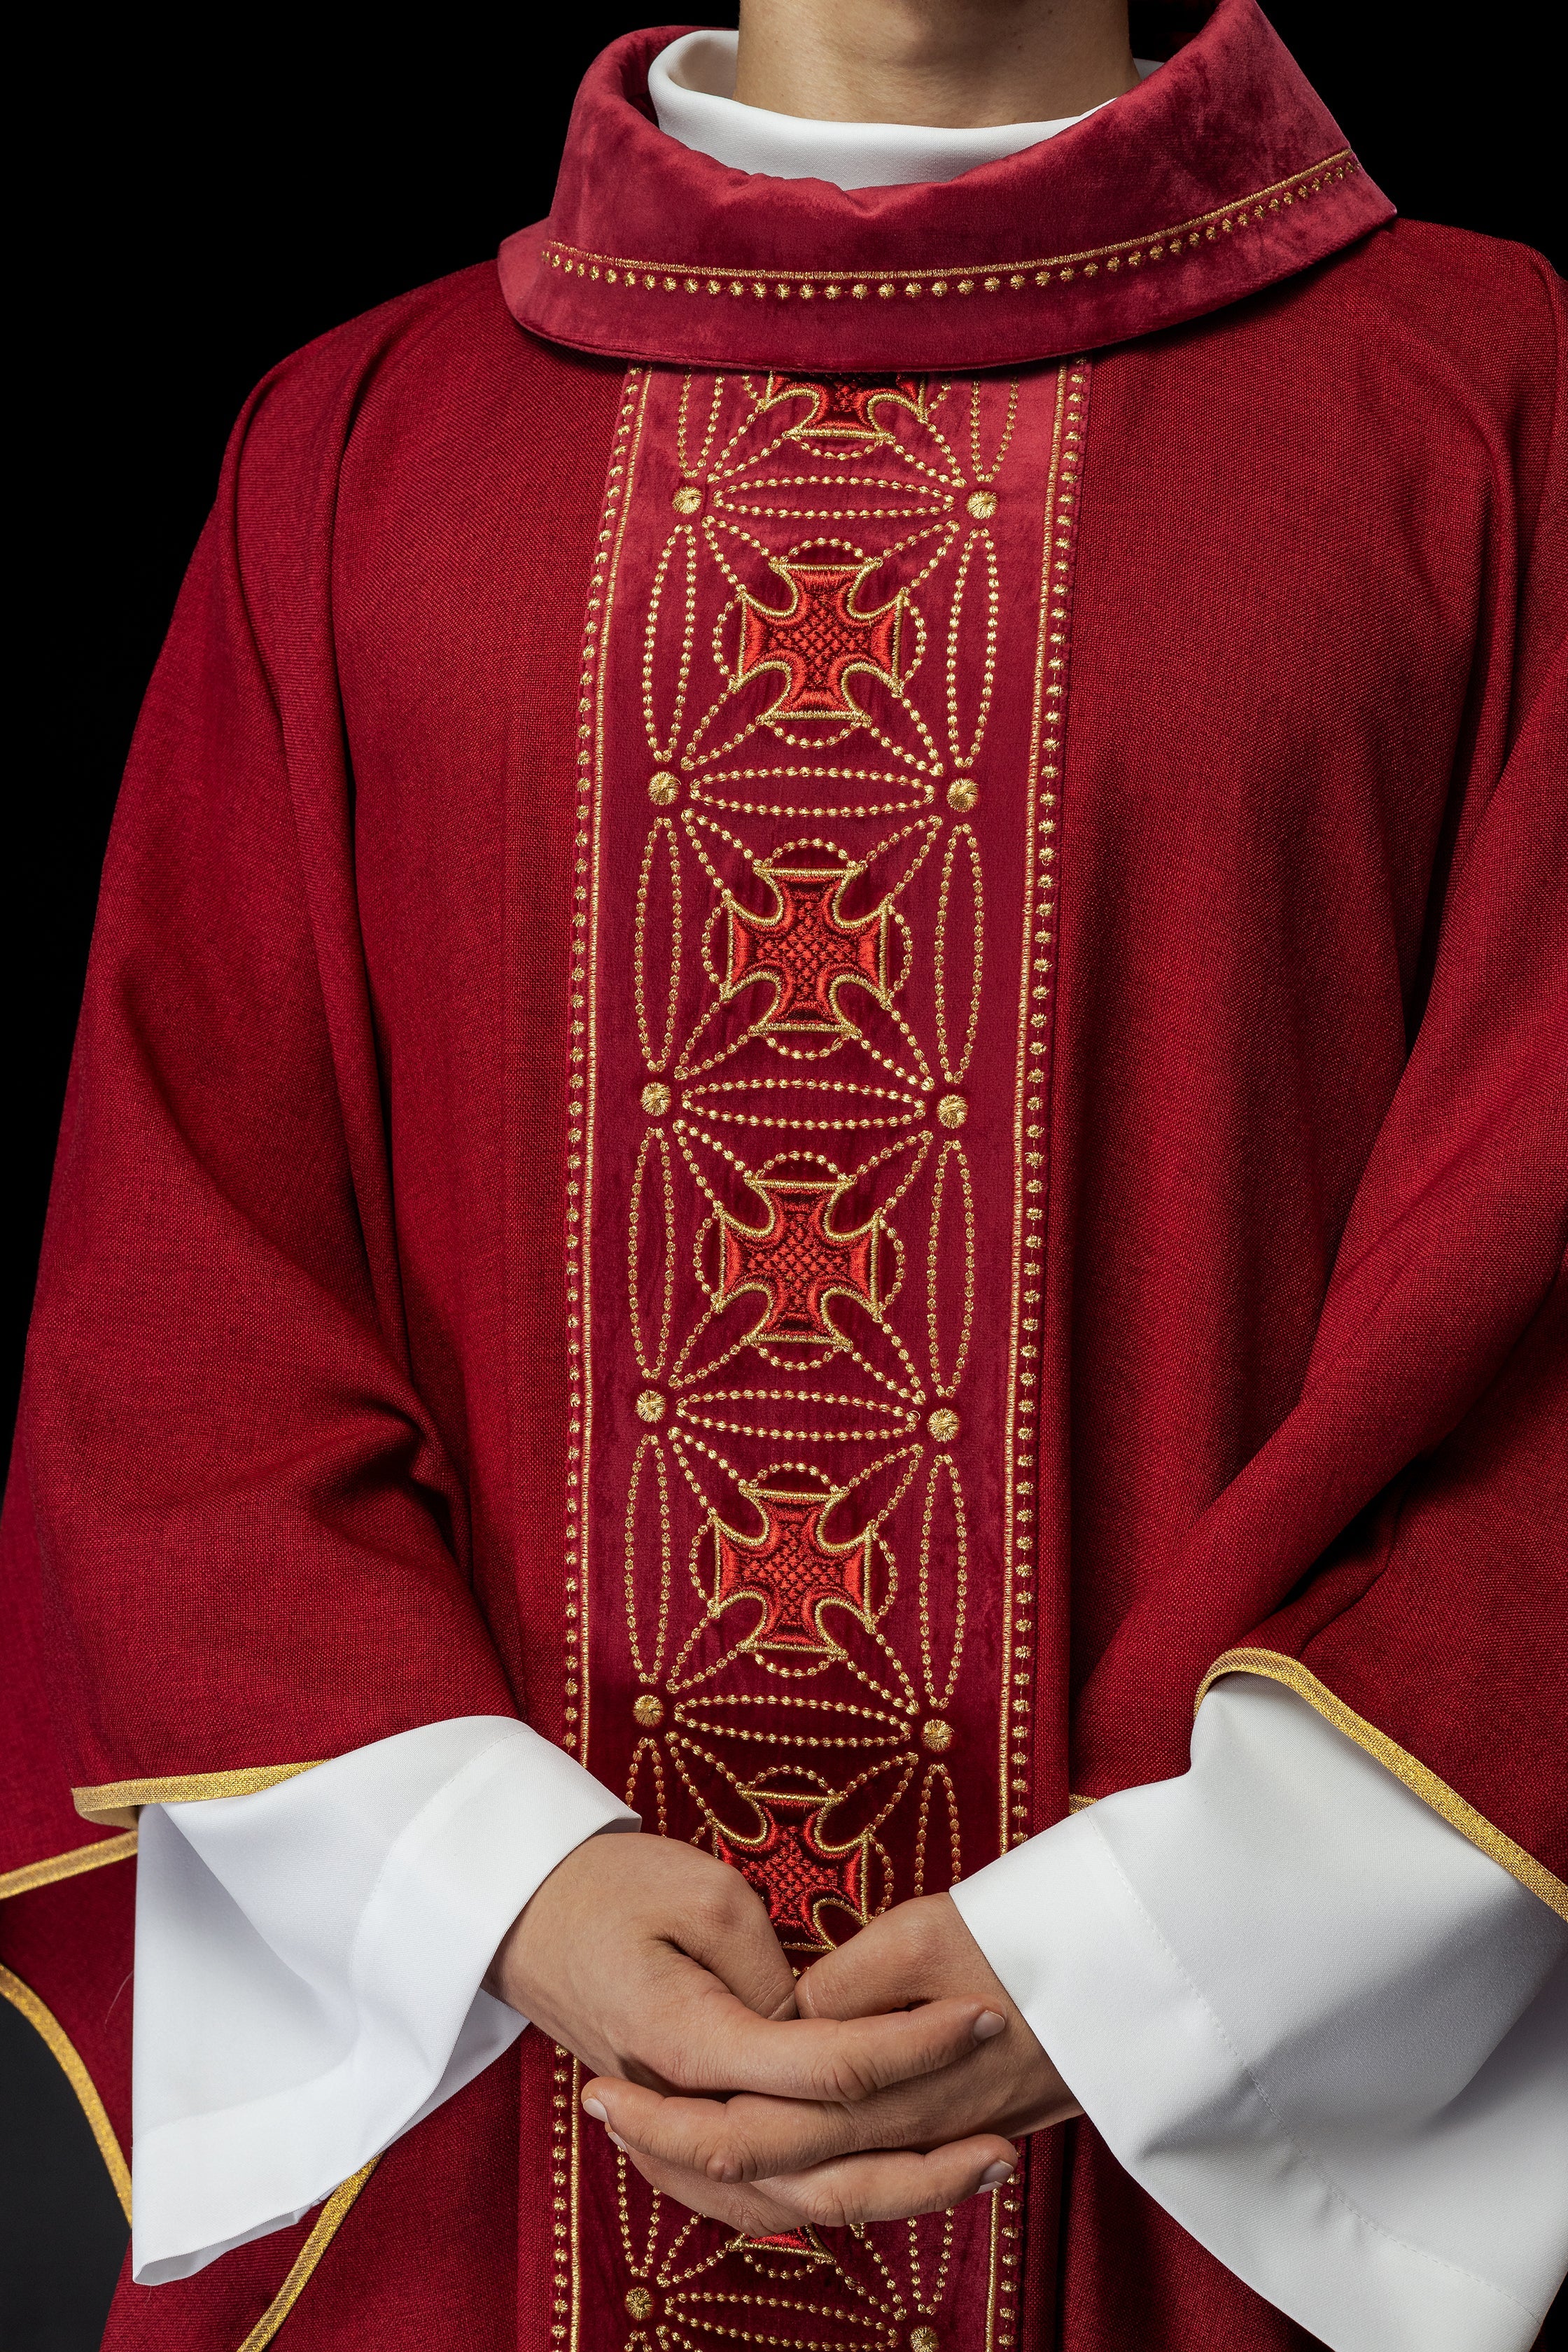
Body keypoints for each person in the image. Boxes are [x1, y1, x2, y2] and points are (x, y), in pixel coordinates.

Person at [2, 3, 1563, 2347]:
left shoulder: (1495, 399)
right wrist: (490, 1882)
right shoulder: (355, 445)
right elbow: (179, 1288)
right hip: (494, 2130)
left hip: (1231, 2127)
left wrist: (1161, 1954)